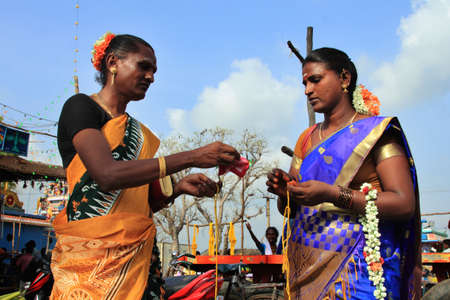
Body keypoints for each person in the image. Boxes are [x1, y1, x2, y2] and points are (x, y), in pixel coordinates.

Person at [51, 32, 240, 300]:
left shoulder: (139, 133)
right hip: (90, 262)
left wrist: (177, 189)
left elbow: (138, 203)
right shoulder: (81, 107)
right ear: (113, 62)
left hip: (137, 262)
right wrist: (191, 156)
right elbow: (107, 175)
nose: (151, 77)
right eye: (144, 66)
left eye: (154, 70)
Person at [267, 48, 421, 299]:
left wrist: (331, 193)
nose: (307, 90)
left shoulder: (376, 134)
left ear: (344, 79)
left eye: (315, 80)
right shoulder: (306, 140)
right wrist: (287, 194)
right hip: (307, 269)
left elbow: (403, 203)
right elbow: (292, 209)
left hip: (359, 271)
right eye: (304, 83)